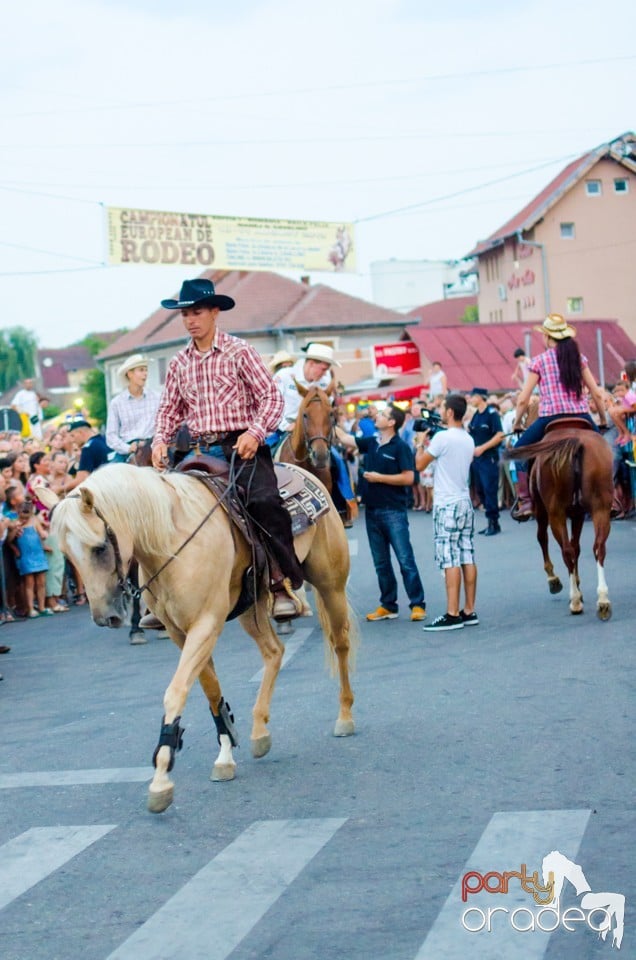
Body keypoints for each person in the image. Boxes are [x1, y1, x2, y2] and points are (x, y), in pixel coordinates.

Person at [151, 277, 305, 621]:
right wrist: (160, 439)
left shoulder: (239, 350)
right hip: (196, 450)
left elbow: (271, 396)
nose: (191, 320)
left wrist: (255, 432)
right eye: (186, 314)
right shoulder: (179, 363)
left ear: (214, 312)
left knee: (264, 502)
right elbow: (169, 410)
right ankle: (160, 593)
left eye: (197, 312)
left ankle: (280, 582)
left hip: (241, 446)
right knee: (163, 507)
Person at [511, 314, 607, 520]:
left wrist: (517, 422)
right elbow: (597, 394)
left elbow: (523, 399)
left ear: (547, 337)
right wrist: (603, 419)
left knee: (518, 453)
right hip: (581, 416)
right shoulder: (579, 359)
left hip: (550, 418)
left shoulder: (539, 361)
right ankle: (613, 497)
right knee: (605, 453)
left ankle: (526, 501)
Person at [336, 404, 426, 622]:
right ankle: (388, 604)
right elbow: (347, 440)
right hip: (373, 511)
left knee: (405, 559)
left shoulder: (400, 446)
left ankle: (417, 604)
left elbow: (409, 477)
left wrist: (379, 478)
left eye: (383, 415)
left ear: (392, 422)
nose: (378, 416)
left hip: (393, 510)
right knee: (381, 562)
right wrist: (330, 420)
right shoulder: (373, 442)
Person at [272, 342, 357, 521]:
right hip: (285, 428)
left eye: (326, 370)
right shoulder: (285, 376)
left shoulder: (325, 382)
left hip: (315, 432)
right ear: (311, 363)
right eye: (323, 368)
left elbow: (328, 410)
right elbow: (271, 403)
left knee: (337, 460)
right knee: (262, 455)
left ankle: (343, 505)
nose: (324, 373)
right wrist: (282, 425)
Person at [416, 394, 478, 631]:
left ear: (450, 412)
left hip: (447, 503)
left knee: (449, 558)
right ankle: (469, 610)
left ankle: (452, 613)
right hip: (464, 501)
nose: (440, 410)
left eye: (443, 407)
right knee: (467, 555)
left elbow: (420, 464)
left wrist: (422, 442)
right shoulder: (467, 438)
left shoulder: (442, 437)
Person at [105, 354, 160, 462]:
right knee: (110, 474)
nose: (145, 374)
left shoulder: (157, 397)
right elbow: (111, 436)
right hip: (128, 449)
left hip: (153, 446)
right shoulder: (116, 403)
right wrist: (128, 448)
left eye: (146, 370)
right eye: (141, 370)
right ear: (129, 374)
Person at [467, 387, 504, 536]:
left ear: (481, 397)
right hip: (476, 459)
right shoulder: (476, 415)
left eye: (473, 396)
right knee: (481, 490)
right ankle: (490, 520)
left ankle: (493, 522)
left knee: (490, 490)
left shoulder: (491, 414)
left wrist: (483, 448)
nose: (471, 399)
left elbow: (500, 435)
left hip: (489, 457)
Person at [64, 420, 111, 491]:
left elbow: (81, 479)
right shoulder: (107, 440)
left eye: (73, 435)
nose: (72, 440)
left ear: (80, 432)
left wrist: (61, 489)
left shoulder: (87, 448)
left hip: (104, 490)